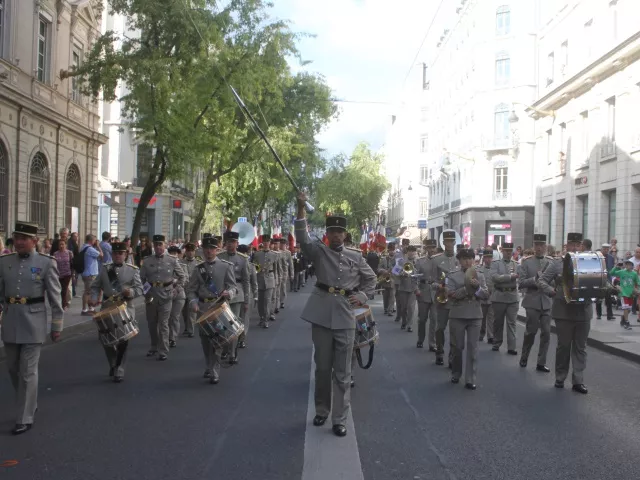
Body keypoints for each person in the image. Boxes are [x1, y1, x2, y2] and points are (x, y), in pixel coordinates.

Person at [294, 192, 376, 438]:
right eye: (332, 232)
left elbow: (371, 280)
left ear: (345, 234)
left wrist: (362, 297)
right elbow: (302, 237)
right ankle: (322, 410)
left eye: (340, 232)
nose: (336, 235)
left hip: (346, 315)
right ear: (327, 234)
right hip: (321, 313)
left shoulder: (356, 256)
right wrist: (301, 209)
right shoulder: (318, 251)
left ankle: (339, 418)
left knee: (343, 371)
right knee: (322, 368)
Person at [0, 221, 64, 435]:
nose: (18, 242)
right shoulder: (4, 262)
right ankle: (28, 401)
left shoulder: (46, 263)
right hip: (10, 320)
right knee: (12, 368)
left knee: (28, 371)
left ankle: (25, 416)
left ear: (34, 241)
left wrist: (56, 325)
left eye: (23, 239)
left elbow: (55, 296)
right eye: (16, 238)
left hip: (34, 322)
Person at [538, 232, 596, 394]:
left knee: (580, 347)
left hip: (583, 311)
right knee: (564, 346)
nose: (576, 248)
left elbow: (599, 280)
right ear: (567, 245)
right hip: (564, 311)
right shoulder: (557, 263)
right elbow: (542, 281)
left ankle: (578, 380)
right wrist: (552, 292)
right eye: (573, 245)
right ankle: (560, 377)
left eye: (578, 245)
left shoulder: (589, 262)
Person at [89, 242, 143, 382]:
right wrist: (94, 298)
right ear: (112, 254)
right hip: (107, 306)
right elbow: (95, 286)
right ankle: (113, 362)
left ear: (125, 255)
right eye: (115, 253)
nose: (118, 256)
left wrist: (130, 292)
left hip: (125, 307)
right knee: (106, 339)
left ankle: (119, 368)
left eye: (121, 253)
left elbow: (140, 289)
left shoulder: (133, 270)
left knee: (123, 339)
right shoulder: (105, 269)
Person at [186, 237, 237, 384]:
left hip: (218, 308)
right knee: (205, 341)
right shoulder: (198, 269)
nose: (209, 251)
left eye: (212, 248)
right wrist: (193, 302)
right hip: (202, 308)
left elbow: (233, 286)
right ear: (203, 251)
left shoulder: (226, 266)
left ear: (217, 250)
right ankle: (209, 365)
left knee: (217, 340)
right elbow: (191, 290)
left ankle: (214, 370)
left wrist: (230, 293)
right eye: (206, 249)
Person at [446, 248, 489, 389]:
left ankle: (470, 379)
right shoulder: (452, 275)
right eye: (465, 259)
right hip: (458, 314)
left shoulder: (480, 275)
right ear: (459, 261)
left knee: (473, 347)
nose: (468, 261)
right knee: (457, 347)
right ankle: (456, 373)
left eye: (470, 258)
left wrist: (477, 289)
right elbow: (451, 294)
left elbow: (486, 295)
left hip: (475, 315)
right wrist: (467, 288)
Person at [139, 235, 186, 361]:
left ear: (165, 245)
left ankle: (163, 350)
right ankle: (154, 346)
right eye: (156, 245)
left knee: (164, 324)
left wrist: (176, 290)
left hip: (166, 295)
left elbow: (182, 277)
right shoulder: (147, 261)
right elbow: (141, 279)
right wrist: (145, 292)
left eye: (160, 244)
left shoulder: (172, 260)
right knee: (152, 323)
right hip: (151, 295)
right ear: (153, 246)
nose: (158, 247)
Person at [518, 234, 554, 371]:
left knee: (546, 333)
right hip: (532, 301)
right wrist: (534, 279)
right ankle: (524, 356)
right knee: (531, 332)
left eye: (542, 245)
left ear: (545, 247)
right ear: (533, 246)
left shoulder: (551, 262)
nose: (539, 248)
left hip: (546, 302)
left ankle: (541, 362)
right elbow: (521, 283)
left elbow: (554, 281)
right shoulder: (526, 262)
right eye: (537, 245)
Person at [218, 231, 250, 358]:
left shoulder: (243, 259)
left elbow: (246, 281)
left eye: (233, 242)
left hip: (237, 294)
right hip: (222, 293)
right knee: (222, 324)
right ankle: (225, 348)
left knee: (234, 324)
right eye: (228, 242)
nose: (230, 245)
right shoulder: (219, 257)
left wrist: (246, 300)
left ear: (237, 243)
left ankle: (232, 352)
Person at [434, 231, 460, 366]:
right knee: (440, 328)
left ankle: (452, 356)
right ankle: (439, 351)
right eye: (447, 242)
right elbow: (430, 281)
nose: (449, 244)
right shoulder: (436, 259)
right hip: (442, 298)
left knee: (455, 331)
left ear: (455, 242)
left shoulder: (460, 260)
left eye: (451, 241)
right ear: (443, 243)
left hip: (455, 300)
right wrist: (439, 286)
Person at [490, 242, 519, 355]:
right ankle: (497, 342)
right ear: (502, 251)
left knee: (512, 323)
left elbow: (520, 277)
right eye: (506, 251)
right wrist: (509, 277)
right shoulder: (496, 264)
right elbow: (494, 277)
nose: (508, 253)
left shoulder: (516, 264)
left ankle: (512, 347)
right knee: (498, 322)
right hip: (499, 296)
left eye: (510, 251)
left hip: (512, 296)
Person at [414, 239, 439, 350]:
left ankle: (432, 343)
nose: (432, 250)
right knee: (422, 319)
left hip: (437, 293)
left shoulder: (440, 261)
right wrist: (416, 289)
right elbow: (415, 277)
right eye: (429, 247)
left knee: (434, 319)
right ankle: (420, 339)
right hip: (423, 292)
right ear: (426, 248)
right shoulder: (420, 261)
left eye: (433, 247)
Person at [253, 234, 279, 328]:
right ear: (262, 242)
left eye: (267, 241)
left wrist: (276, 280)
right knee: (260, 301)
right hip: (260, 278)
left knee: (267, 300)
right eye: (264, 241)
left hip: (270, 279)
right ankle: (261, 317)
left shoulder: (274, 255)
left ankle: (266, 319)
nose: (266, 243)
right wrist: (258, 269)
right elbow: (254, 267)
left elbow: (277, 269)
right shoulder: (257, 254)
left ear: (269, 243)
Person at [237, 243, 258, 347]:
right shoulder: (232, 264)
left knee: (244, 317)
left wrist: (255, 295)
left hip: (247, 293)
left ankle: (242, 338)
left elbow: (254, 282)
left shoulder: (251, 266)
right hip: (235, 294)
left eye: (244, 253)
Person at [610, 260, 640, 330]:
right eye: (627, 264)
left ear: (632, 266)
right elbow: (612, 273)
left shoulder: (634, 274)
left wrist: (637, 290)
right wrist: (616, 267)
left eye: (630, 264)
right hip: (623, 293)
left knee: (628, 309)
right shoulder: (622, 272)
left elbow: (638, 283)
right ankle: (626, 322)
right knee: (626, 308)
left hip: (631, 293)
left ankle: (623, 318)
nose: (628, 266)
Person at [167, 245, 187, 348]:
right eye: (171, 253)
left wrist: (177, 287)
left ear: (178, 254)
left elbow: (185, 279)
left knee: (175, 316)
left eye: (175, 253)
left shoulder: (182, 266)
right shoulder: (165, 265)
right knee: (166, 317)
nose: (173, 255)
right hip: (166, 294)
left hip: (179, 294)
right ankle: (165, 337)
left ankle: (173, 338)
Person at [395, 245, 419, 332]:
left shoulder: (418, 261)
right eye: (410, 251)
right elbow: (395, 272)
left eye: (413, 251)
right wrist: (402, 274)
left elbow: (422, 273)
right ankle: (404, 322)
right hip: (403, 287)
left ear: (415, 252)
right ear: (407, 252)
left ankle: (410, 325)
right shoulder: (401, 261)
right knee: (403, 307)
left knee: (411, 307)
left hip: (413, 288)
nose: (412, 252)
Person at [80, 234, 104, 315]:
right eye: (94, 240)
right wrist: (98, 246)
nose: (95, 242)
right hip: (90, 273)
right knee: (88, 292)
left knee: (88, 291)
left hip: (86, 272)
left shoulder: (83, 247)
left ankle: (90, 308)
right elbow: (101, 255)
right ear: (91, 240)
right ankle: (84, 309)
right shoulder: (90, 249)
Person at [180, 243, 198, 337]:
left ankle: (191, 329)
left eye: (192, 251)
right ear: (186, 252)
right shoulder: (181, 262)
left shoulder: (198, 263)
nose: (190, 253)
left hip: (193, 290)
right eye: (188, 251)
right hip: (183, 289)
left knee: (191, 310)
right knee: (184, 311)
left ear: (194, 252)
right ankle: (187, 327)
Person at [476, 249, 494, 343]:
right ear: (484, 258)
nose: (488, 259)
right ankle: (481, 333)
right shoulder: (479, 269)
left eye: (490, 257)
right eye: (486, 257)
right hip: (482, 296)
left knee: (491, 317)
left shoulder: (495, 269)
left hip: (492, 296)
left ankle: (491, 336)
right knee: (482, 317)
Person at [596, 243, 616, 320]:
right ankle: (599, 314)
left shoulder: (611, 258)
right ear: (602, 249)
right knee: (599, 298)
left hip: (608, 280)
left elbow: (611, 268)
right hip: (600, 279)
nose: (606, 250)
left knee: (609, 298)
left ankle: (609, 315)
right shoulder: (598, 257)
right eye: (604, 248)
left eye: (607, 249)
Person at [53, 238, 74, 309]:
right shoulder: (55, 254)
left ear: (66, 245)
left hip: (67, 274)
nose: (61, 246)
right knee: (59, 289)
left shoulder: (69, 253)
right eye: (60, 245)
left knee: (64, 290)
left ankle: (63, 305)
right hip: (58, 274)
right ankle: (61, 303)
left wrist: (73, 274)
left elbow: (72, 263)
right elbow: (54, 264)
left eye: (63, 244)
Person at [377, 245, 396, 316]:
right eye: (391, 250)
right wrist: (384, 271)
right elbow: (378, 268)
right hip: (385, 279)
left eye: (393, 250)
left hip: (393, 280)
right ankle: (385, 308)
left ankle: (390, 310)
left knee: (392, 296)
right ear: (388, 251)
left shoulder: (397, 260)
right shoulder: (384, 259)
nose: (392, 251)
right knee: (385, 296)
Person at [278, 238, 294, 309]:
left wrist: (292, 274)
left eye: (284, 245)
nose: (282, 246)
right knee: (277, 287)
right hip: (277, 271)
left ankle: (282, 301)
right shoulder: (277, 252)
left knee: (283, 286)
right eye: (281, 244)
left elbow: (291, 264)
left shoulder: (288, 252)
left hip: (284, 272)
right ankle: (277, 301)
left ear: (286, 245)